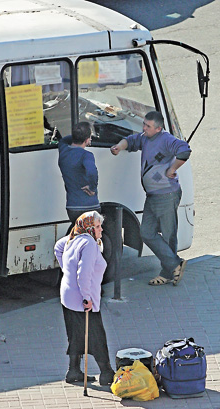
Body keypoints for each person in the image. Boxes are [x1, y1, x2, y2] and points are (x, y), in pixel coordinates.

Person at [110, 110, 190, 286]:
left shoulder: (166, 139)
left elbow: (184, 150)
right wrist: (119, 147)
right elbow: (131, 141)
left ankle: (168, 271)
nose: (144, 128)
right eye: (144, 124)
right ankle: (174, 265)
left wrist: (172, 169)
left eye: (148, 126)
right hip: (153, 195)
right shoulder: (145, 138)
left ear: (159, 128)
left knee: (169, 235)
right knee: (146, 232)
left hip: (166, 194)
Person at [54, 210, 115, 385]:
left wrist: (66, 270)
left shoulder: (74, 237)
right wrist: (86, 297)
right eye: (97, 226)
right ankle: (106, 373)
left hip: (67, 296)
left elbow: (58, 247)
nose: (101, 229)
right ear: (89, 227)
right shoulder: (88, 243)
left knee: (75, 334)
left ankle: (73, 371)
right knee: (96, 336)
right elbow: (84, 273)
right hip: (82, 299)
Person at [58, 122, 100, 226]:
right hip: (89, 206)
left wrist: (79, 135)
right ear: (86, 140)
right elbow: (92, 171)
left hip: (72, 207)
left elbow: (65, 139)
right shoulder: (87, 155)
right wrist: (92, 188)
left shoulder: (63, 150)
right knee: (91, 239)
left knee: (78, 236)